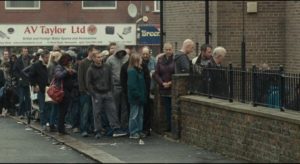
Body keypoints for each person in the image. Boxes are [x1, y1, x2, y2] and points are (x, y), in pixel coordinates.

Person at [86, 50, 127, 139]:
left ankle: (115, 128)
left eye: (101, 57)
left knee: (112, 111)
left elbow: (110, 79)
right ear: (93, 58)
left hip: (108, 92)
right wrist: (94, 94)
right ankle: (98, 130)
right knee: (97, 113)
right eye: (98, 57)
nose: (100, 59)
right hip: (97, 93)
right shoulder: (90, 69)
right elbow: (89, 83)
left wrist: (111, 91)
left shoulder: (107, 67)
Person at [106, 42, 129, 131]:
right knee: (114, 107)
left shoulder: (127, 58)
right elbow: (107, 73)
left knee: (125, 107)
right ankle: (115, 126)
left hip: (125, 86)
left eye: (122, 51)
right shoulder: (110, 60)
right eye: (119, 51)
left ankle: (124, 125)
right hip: (114, 86)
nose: (120, 53)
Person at [24, 50, 50, 131]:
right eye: (46, 58)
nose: (47, 59)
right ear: (42, 57)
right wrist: (35, 85)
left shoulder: (47, 65)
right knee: (42, 107)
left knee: (48, 107)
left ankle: (48, 122)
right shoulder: (36, 65)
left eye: (48, 58)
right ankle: (43, 124)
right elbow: (31, 76)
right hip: (41, 89)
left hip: (48, 89)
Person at [153, 42, 175, 132]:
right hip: (163, 88)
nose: (168, 51)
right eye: (166, 49)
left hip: (173, 88)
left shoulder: (175, 60)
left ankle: (172, 127)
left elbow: (178, 74)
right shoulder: (160, 60)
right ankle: (167, 126)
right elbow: (156, 74)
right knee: (166, 108)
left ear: (172, 49)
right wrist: (162, 83)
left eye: (170, 49)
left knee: (173, 108)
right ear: (164, 50)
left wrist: (171, 83)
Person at [54, 53, 76, 135]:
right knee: (62, 111)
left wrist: (72, 72)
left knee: (64, 111)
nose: (70, 63)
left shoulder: (66, 67)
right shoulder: (59, 67)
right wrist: (66, 71)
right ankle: (61, 129)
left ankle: (61, 128)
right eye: (69, 61)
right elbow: (58, 76)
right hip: (62, 92)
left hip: (67, 91)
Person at [78, 45, 97, 137]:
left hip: (94, 91)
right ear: (89, 51)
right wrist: (83, 90)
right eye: (94, 50)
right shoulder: (83, 63)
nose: (96, 52)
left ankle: (91, 128)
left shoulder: (95, 62)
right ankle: (84, 129)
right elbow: (80, 78)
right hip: (85, 92)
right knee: (85, 111)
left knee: (92, 112)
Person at [127, 52, 147, 139]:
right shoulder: (132, 71)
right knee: (134, 115)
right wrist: (139, 95)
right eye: (140, 59)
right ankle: (133, 132)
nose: (142, 60)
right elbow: (132, 86)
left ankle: (139, 130)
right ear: (136, 60)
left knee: (140, 115)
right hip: (135, 98)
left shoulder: (139, 70)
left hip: (140, 97)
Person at [13, 47, 32, 119]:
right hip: (21, 82)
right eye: (24, 51)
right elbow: (14, 71)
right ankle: (21, 113)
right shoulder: (18, 60)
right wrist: (19, 77)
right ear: (22, 52)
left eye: (26, 51)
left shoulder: (30, 59)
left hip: (29, 81)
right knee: (21, 99)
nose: (25, 53)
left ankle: (28, 113)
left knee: (28, 98)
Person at [47, 51, 62, 132]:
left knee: (54, 107)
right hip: (55, 88)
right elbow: (53, 77)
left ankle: (52, 123)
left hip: (53, 88)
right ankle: (52, 124)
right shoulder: (54, 66)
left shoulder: (51, 65)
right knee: (55, 107)